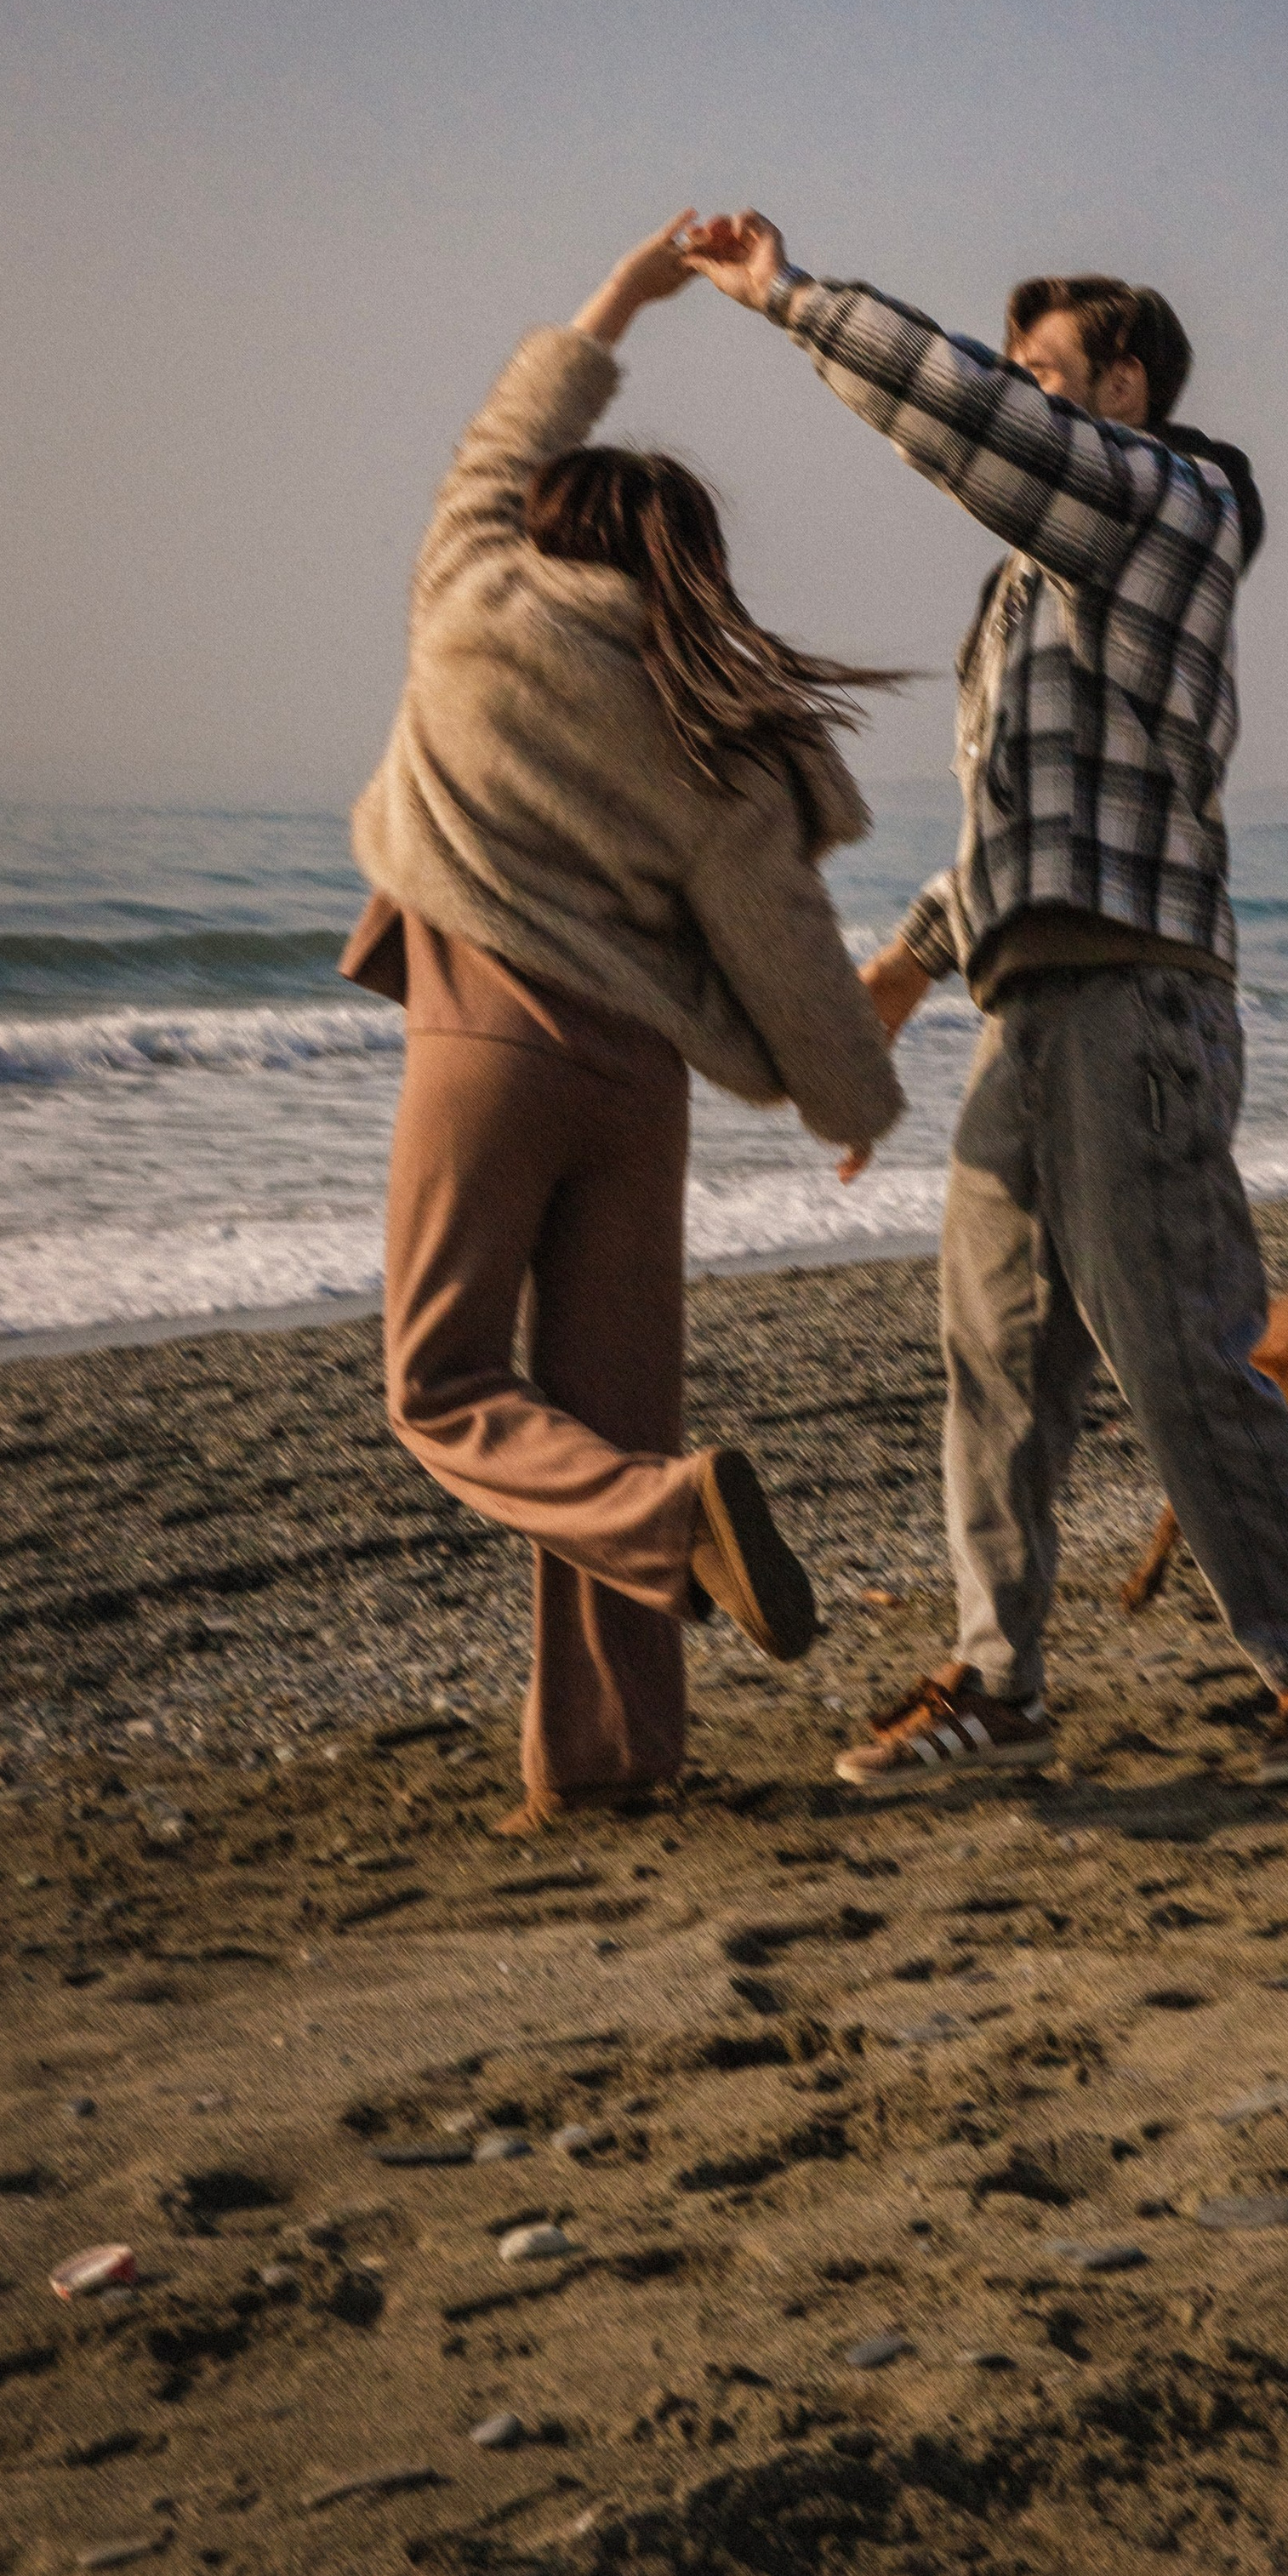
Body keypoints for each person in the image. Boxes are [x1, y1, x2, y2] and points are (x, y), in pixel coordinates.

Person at [681, 212, 1288, 1792]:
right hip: (1032, 1007)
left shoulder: (1177, 507)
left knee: (1181, 1350)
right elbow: (1016, 839)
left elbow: (969, 421)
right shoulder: (1024, 597)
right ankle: (999, 1686)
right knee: (995, 1357)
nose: (1020, 391)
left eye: (1047, 370)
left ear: (1124, 385)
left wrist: (792, 300)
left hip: (1141, 1006)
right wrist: (900, 974)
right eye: (1018, 370)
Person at [345, 214, 906, 1834]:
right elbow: (786, 940)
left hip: (485, 1053)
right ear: (685, 567)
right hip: (636, 1084)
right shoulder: (708, 719)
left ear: (544, 527)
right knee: (608, 1407)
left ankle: (670, 1520)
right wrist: (850, 1102)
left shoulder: (469, 595)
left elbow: (501, 434)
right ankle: (609, 1767)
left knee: (443, 1389)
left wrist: (625, 296)